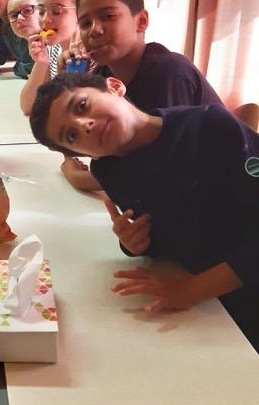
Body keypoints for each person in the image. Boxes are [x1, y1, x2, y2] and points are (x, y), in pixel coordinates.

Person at [30, 71, 256, 312]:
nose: (84, 125)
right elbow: (171, 233)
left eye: (82, 106)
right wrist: (135, 242)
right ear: (82, 153)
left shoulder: (209, 126)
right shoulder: (109, 170)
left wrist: (190, 291)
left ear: (114, 86)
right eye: (71, 135)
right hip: (208, 300)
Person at [61, 0, 222, 193]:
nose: (94, 30)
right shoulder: (103, 75)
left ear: (141, 21)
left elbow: (163, 169)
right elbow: (86, 140)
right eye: (85, 23)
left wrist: (80, 178)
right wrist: (68, 83)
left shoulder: (168, 73)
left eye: (108, 16)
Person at [20, 0, 83, 115]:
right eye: (41, 11)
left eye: (56, 11)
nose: (45, 19)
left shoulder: (88, 57)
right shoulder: (53, 49)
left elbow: (72, 110)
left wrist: (73, 66)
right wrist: (41, 62)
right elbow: (28, 106)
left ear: (81, 13)